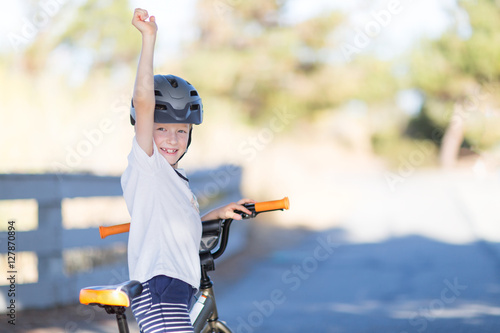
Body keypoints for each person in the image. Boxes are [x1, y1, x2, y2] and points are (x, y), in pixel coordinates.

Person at [121, 8, 255, 333]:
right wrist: (149, 38)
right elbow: (143, 102)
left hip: (175, 288)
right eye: (162, 128)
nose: (172, 139)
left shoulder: (175, 180)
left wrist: (217, 213)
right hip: (160, 289)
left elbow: (179, 225)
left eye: (181, 131)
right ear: (145, 128)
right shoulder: (147, 166)